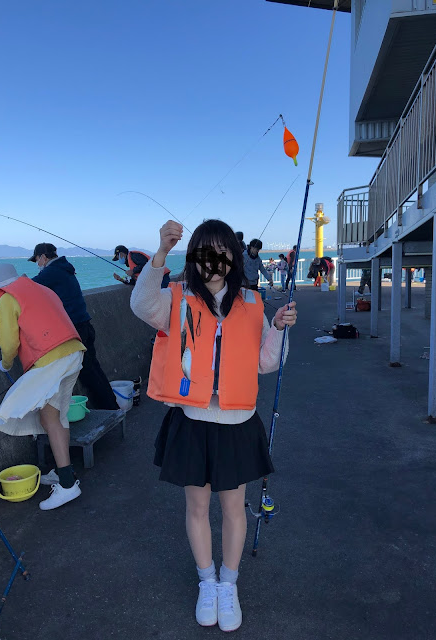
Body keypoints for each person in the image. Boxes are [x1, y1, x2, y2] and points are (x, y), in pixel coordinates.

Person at [130, 219, 297, 632]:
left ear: (233, 258)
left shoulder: (253, 303)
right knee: (197, 507)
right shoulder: (176, 299)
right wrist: (160, 254)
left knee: (234, 509)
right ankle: (207, 581)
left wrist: (278, 329)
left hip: (238, 424)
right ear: (194, 257)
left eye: (222, 252)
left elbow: (267, 363)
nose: (214, 261)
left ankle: (229, 584)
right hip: (193, 422)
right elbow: (141, 304)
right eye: (205, 252)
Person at [0, 263, 85, 510]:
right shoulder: (42, 288)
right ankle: (64, 473)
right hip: (73, 352)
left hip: (51, 359)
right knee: (57, 416)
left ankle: (68, 486)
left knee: (44, 417)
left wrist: (5, 364)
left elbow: (8, 343)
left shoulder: (8, 297)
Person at [29, 243, 118, 411]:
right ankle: (112, 406)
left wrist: (12, 283)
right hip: (84, 325)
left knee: (88, 374)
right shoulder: (64, 268)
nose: (37, 263)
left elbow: (29, 288)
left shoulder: (52, 271)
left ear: (43, 257)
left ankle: (107, 410)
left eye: (36, 259)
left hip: (75, 330)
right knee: (94, 369)